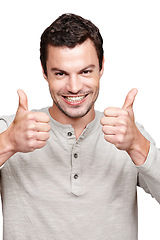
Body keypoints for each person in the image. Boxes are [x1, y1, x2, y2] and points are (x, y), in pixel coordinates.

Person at [0, 13, 159, 240]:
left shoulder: (127, 134)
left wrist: (137, 146)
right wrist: (8, 143)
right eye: (60, 73)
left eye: (85, 72)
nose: (74, 87)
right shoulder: (12, 130)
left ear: (101, 67)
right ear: (44, 71)